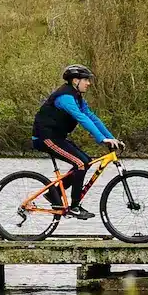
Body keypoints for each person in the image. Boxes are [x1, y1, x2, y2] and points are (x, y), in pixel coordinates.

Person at [31, 64, 121, 219]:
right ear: (75, 81)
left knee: (86, 161)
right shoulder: (65, 98)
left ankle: (55, 194)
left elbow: (93, 117)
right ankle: (74, 207)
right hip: (44, 138)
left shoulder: (77, 98)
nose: (89, 83)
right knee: (79, 164)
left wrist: (111, 138)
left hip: (57, 137)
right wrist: (101, 139)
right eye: (85, 80)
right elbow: (81, 118)